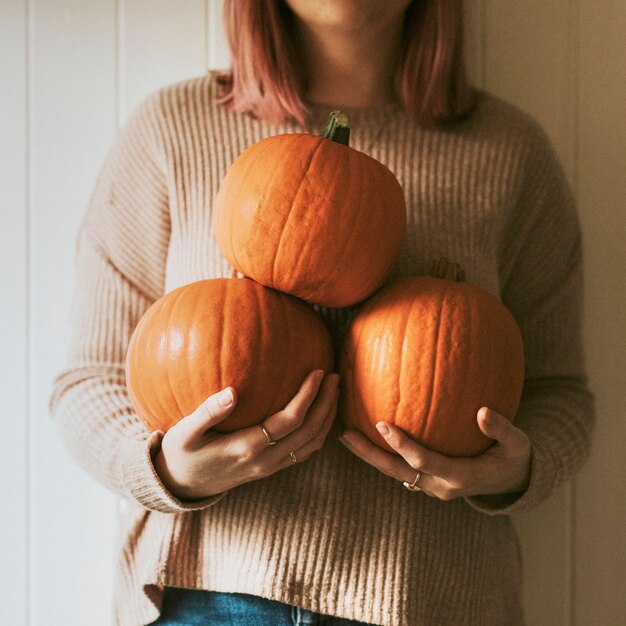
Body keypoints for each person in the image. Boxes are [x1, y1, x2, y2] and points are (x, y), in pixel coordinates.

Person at [50, 1, 594, 624]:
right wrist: (170, 472)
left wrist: (511, 470)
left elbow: (560, 394)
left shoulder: (510, 151)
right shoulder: (171, 129)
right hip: (213, 597)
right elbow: (89, 381)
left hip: (433, 598)